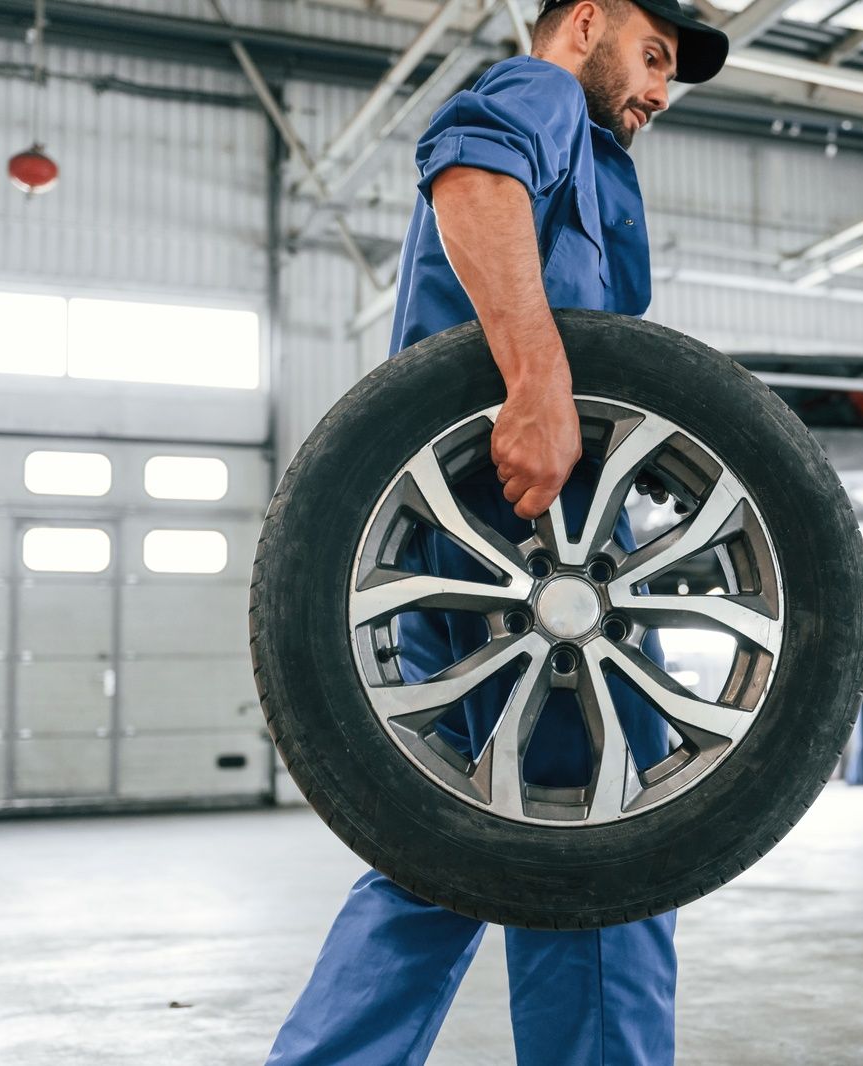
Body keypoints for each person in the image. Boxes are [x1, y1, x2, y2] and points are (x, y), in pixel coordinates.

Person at [264, 2, 728, 1064]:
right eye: (652, 56)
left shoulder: (595, 160)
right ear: (586, 22)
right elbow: (472, 177)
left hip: (498, 553)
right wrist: (535, 381)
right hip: (517, 552)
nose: (659, 89)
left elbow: (607, 376)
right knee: (600, 834)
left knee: (454, 843)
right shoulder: (545, 92)